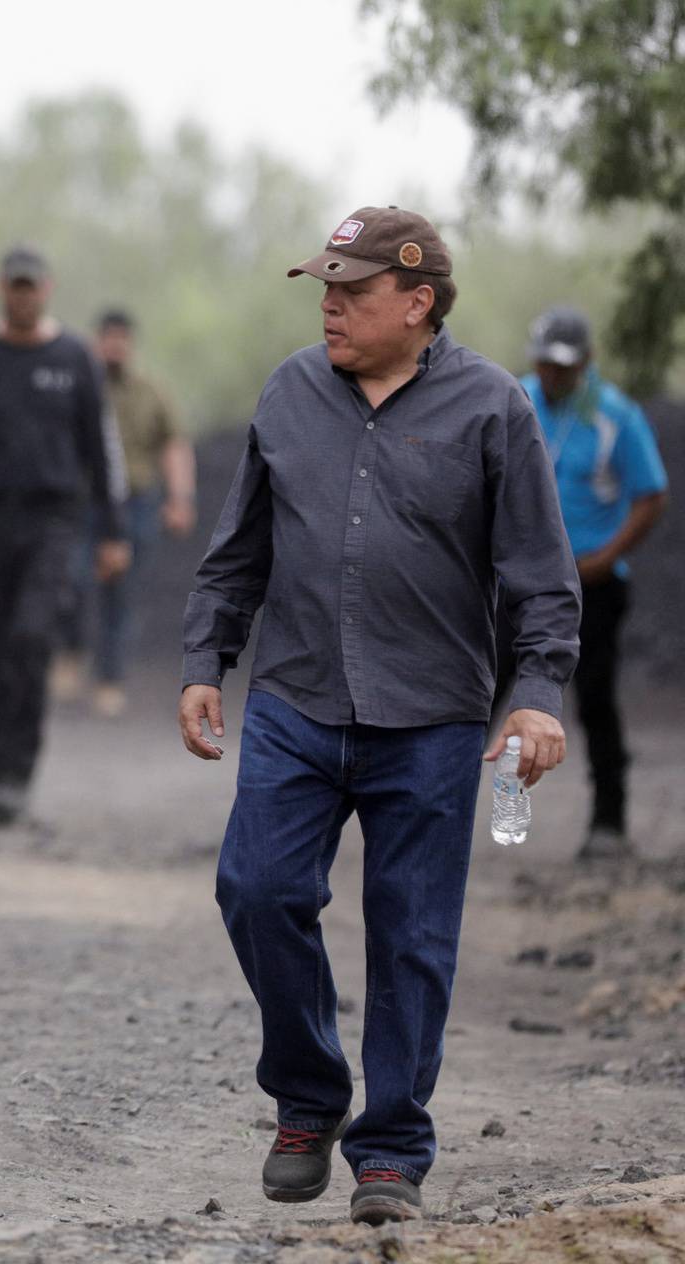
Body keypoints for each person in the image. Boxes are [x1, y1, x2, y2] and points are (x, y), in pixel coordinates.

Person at [180, 207, 579, 1225]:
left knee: (411, 938)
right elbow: (239, 547)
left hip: (433, 718)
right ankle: (309, 1097)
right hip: (297, 700)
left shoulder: (495, 407)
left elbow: (539, 572)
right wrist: (204, 659)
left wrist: (535, 695)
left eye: (352, 293)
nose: (330, 307)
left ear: (418, 301)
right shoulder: (289, 391)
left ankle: (391, 1148)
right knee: (256, 889)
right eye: (325, 288)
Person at [0, 246, 129, 828]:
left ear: (47, 288)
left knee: (31, 637)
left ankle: (21, 771)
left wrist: (112, 532)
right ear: (0, 288)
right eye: (13, 286)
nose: (22, 295)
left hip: (53, 522)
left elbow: (100, 448)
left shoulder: (75, 358)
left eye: (31, 286)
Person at [520, 307, 668, 861]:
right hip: (517, 584)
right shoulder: (515, 400)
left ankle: (609, 823)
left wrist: (606, 558)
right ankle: (436, 811)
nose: (553, 375)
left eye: (564, 365)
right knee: (476, 693)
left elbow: (651, 495)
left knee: (595, 699)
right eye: (545, 363)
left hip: (592, 586)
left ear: (585, 362)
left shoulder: (615, 415)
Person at [77, 309, 195, 718]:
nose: (113, 345)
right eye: (106, 337)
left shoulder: (151, 391)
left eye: (120, 337)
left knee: (123, 592)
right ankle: (70, 648)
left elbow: (174, 444)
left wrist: (180, 498)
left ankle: (110, 678)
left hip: (137, 501)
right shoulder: (82, 387)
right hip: (85, 501)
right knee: (70, 579)